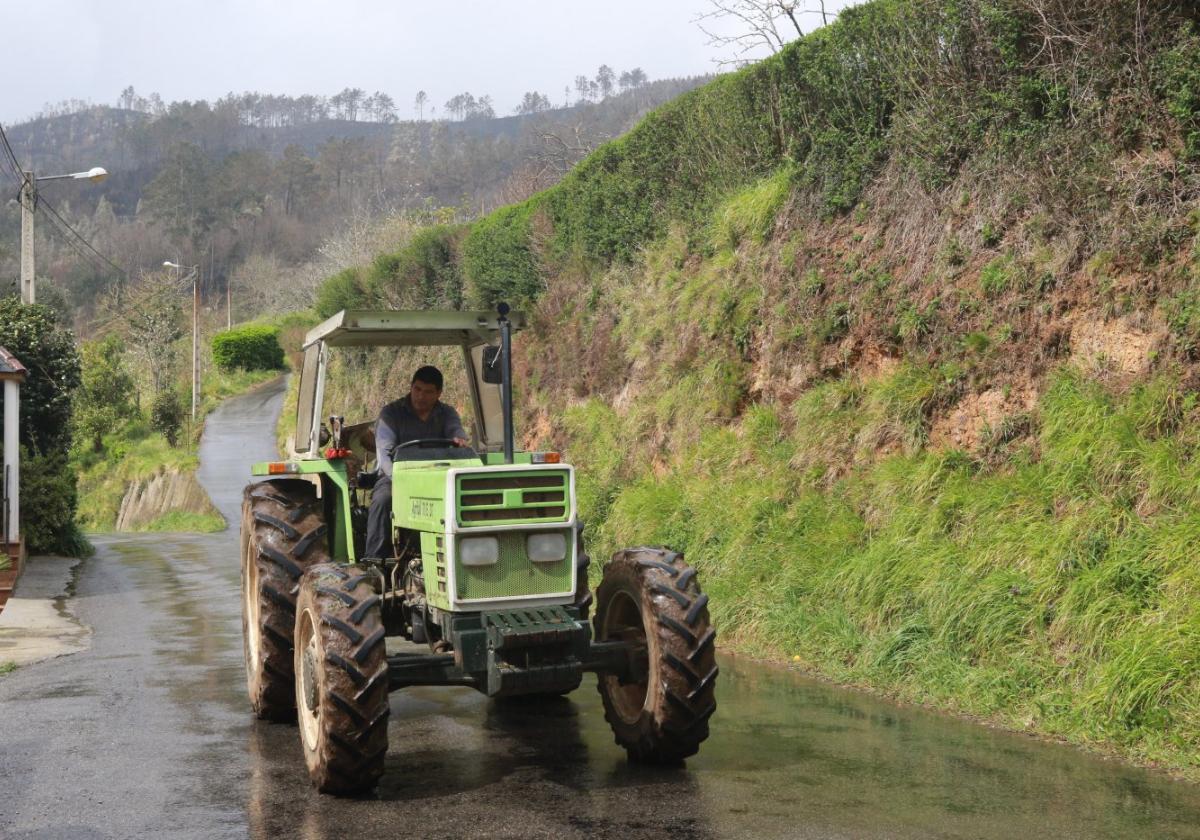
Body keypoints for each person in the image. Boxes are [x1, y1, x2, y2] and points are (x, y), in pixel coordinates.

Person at [364, 365, 468, 559]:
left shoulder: (447, 413)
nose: (421, 396)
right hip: (396, 476)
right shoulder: (391, 413)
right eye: (417, 389)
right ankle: (375, 561)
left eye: (428, 392)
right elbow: (385, 455)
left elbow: (456, 431)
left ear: (438, 393)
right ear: (411, 387)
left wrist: (458, 438)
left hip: (437, 476)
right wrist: (403, 481)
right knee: (383, 500)